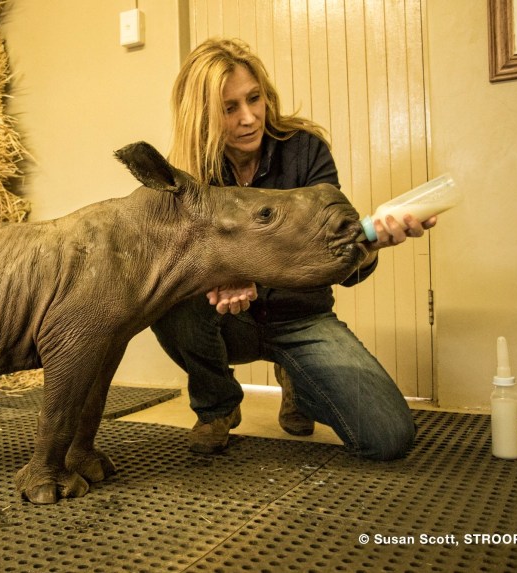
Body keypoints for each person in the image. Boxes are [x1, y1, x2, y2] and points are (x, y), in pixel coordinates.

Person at [150, 38, 435, 461]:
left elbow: (334, 254)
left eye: (255, 98)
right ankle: (217, 405)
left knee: (389, 437)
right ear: (203, 116)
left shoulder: (306, 150)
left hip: (301, 317)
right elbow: (171, 259)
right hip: (224, 321)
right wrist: (223, 273)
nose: (249, 118)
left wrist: (372, 245)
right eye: (230, 109)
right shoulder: (187, 178)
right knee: (165, 302)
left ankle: (300, 383)